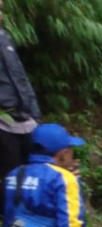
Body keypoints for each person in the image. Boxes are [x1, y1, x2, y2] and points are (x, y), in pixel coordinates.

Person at [0, 15, 40, 178]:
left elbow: (20, 77)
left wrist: (35, 113)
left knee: (31, 174)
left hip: (24, 117)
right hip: (3, 122)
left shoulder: (5, 38)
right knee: (9, 177)